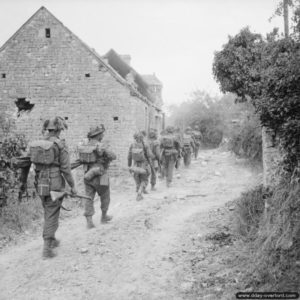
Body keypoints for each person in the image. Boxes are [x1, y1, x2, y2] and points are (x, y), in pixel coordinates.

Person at [25, 116, 77, 259]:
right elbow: (66, 169)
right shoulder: (60, 145)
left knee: (48, 210)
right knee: (52, 212)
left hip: (40, 183)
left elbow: (30, 162)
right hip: (54, 183)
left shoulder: (39, 144)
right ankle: (47, 248)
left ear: (48, 129)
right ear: (59, 129)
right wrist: (73, 186)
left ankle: (52, 240)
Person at [78, 125, 116, 228]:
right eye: (101, 134)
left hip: (88, 175)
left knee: (88, 197)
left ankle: (89, 221)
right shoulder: (100, 145)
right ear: (98, 135)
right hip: (101, 174)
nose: (103, 135)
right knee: (105, 195)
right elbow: (113, 156)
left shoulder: (84, 145)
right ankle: (104, 217)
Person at [128, 132, 153, 201]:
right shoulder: (145, 145)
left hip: (135, 164)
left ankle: (139, 188)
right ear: (142, 138)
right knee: (144, 179)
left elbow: (129, 156)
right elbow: (149, 155)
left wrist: (129, 165)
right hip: (144, 164)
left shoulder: (132, 145)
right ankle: (140, 193)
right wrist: (151, 159)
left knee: (137, 177)